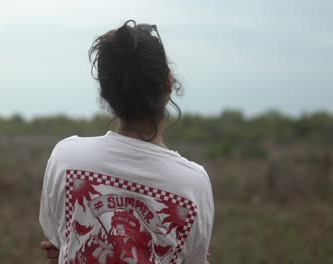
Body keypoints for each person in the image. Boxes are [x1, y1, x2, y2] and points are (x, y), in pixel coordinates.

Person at [39, 19, 214, 264]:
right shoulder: (193, 184)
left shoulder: (66, 158)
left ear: (105, 91)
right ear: (168, 83)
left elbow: (59, 243)